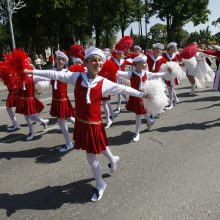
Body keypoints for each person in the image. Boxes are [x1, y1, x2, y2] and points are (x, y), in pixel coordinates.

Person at [24, 47, 150, 202]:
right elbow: (54, 74)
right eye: (93, 60)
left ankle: (100, 184)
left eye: (99, 60)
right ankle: (112, 160)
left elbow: (124, 88)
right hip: (82, 124)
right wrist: (30, 72)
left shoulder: (104, 82)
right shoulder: (76, 77)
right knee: (98, 147)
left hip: (95, 124)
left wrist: (143, 94)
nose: (97, 63)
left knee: (92, 153)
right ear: (86, 62)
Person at [117, 55, 169, 142]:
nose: (145, 64)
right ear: (137, 64)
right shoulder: (130, 73)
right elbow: (120, 73)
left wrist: (166, 72)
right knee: (142, 111)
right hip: (135, 96)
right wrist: (109, 70)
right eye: (143, 63)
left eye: (145, 62)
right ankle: (150, 122)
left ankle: (137, 133)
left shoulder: (146, 73)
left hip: (143, 96)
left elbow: (156, 74)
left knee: (138, 115)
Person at [50, 51, 75, 152]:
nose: (60, 61)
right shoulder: (52, 72)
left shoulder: (67, 72)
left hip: (63, 101)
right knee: (69, 119)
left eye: (62, 60)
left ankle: (69, 143)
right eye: (58, 59)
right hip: (56, 101)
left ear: (65, 62)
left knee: (61, 122)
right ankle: (85, 129)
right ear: (55, 60)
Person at [162, 42, 181, 109]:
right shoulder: (164, 54)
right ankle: (175, 99)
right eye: (171, 47)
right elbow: (162, 62)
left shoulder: (176, 55)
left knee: (170, 87)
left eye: (174, 47)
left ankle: (170, 103)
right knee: (170, 87)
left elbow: (179, 62)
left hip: (173, 73)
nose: (173, 48)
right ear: (168, 48)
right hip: (166, 72)